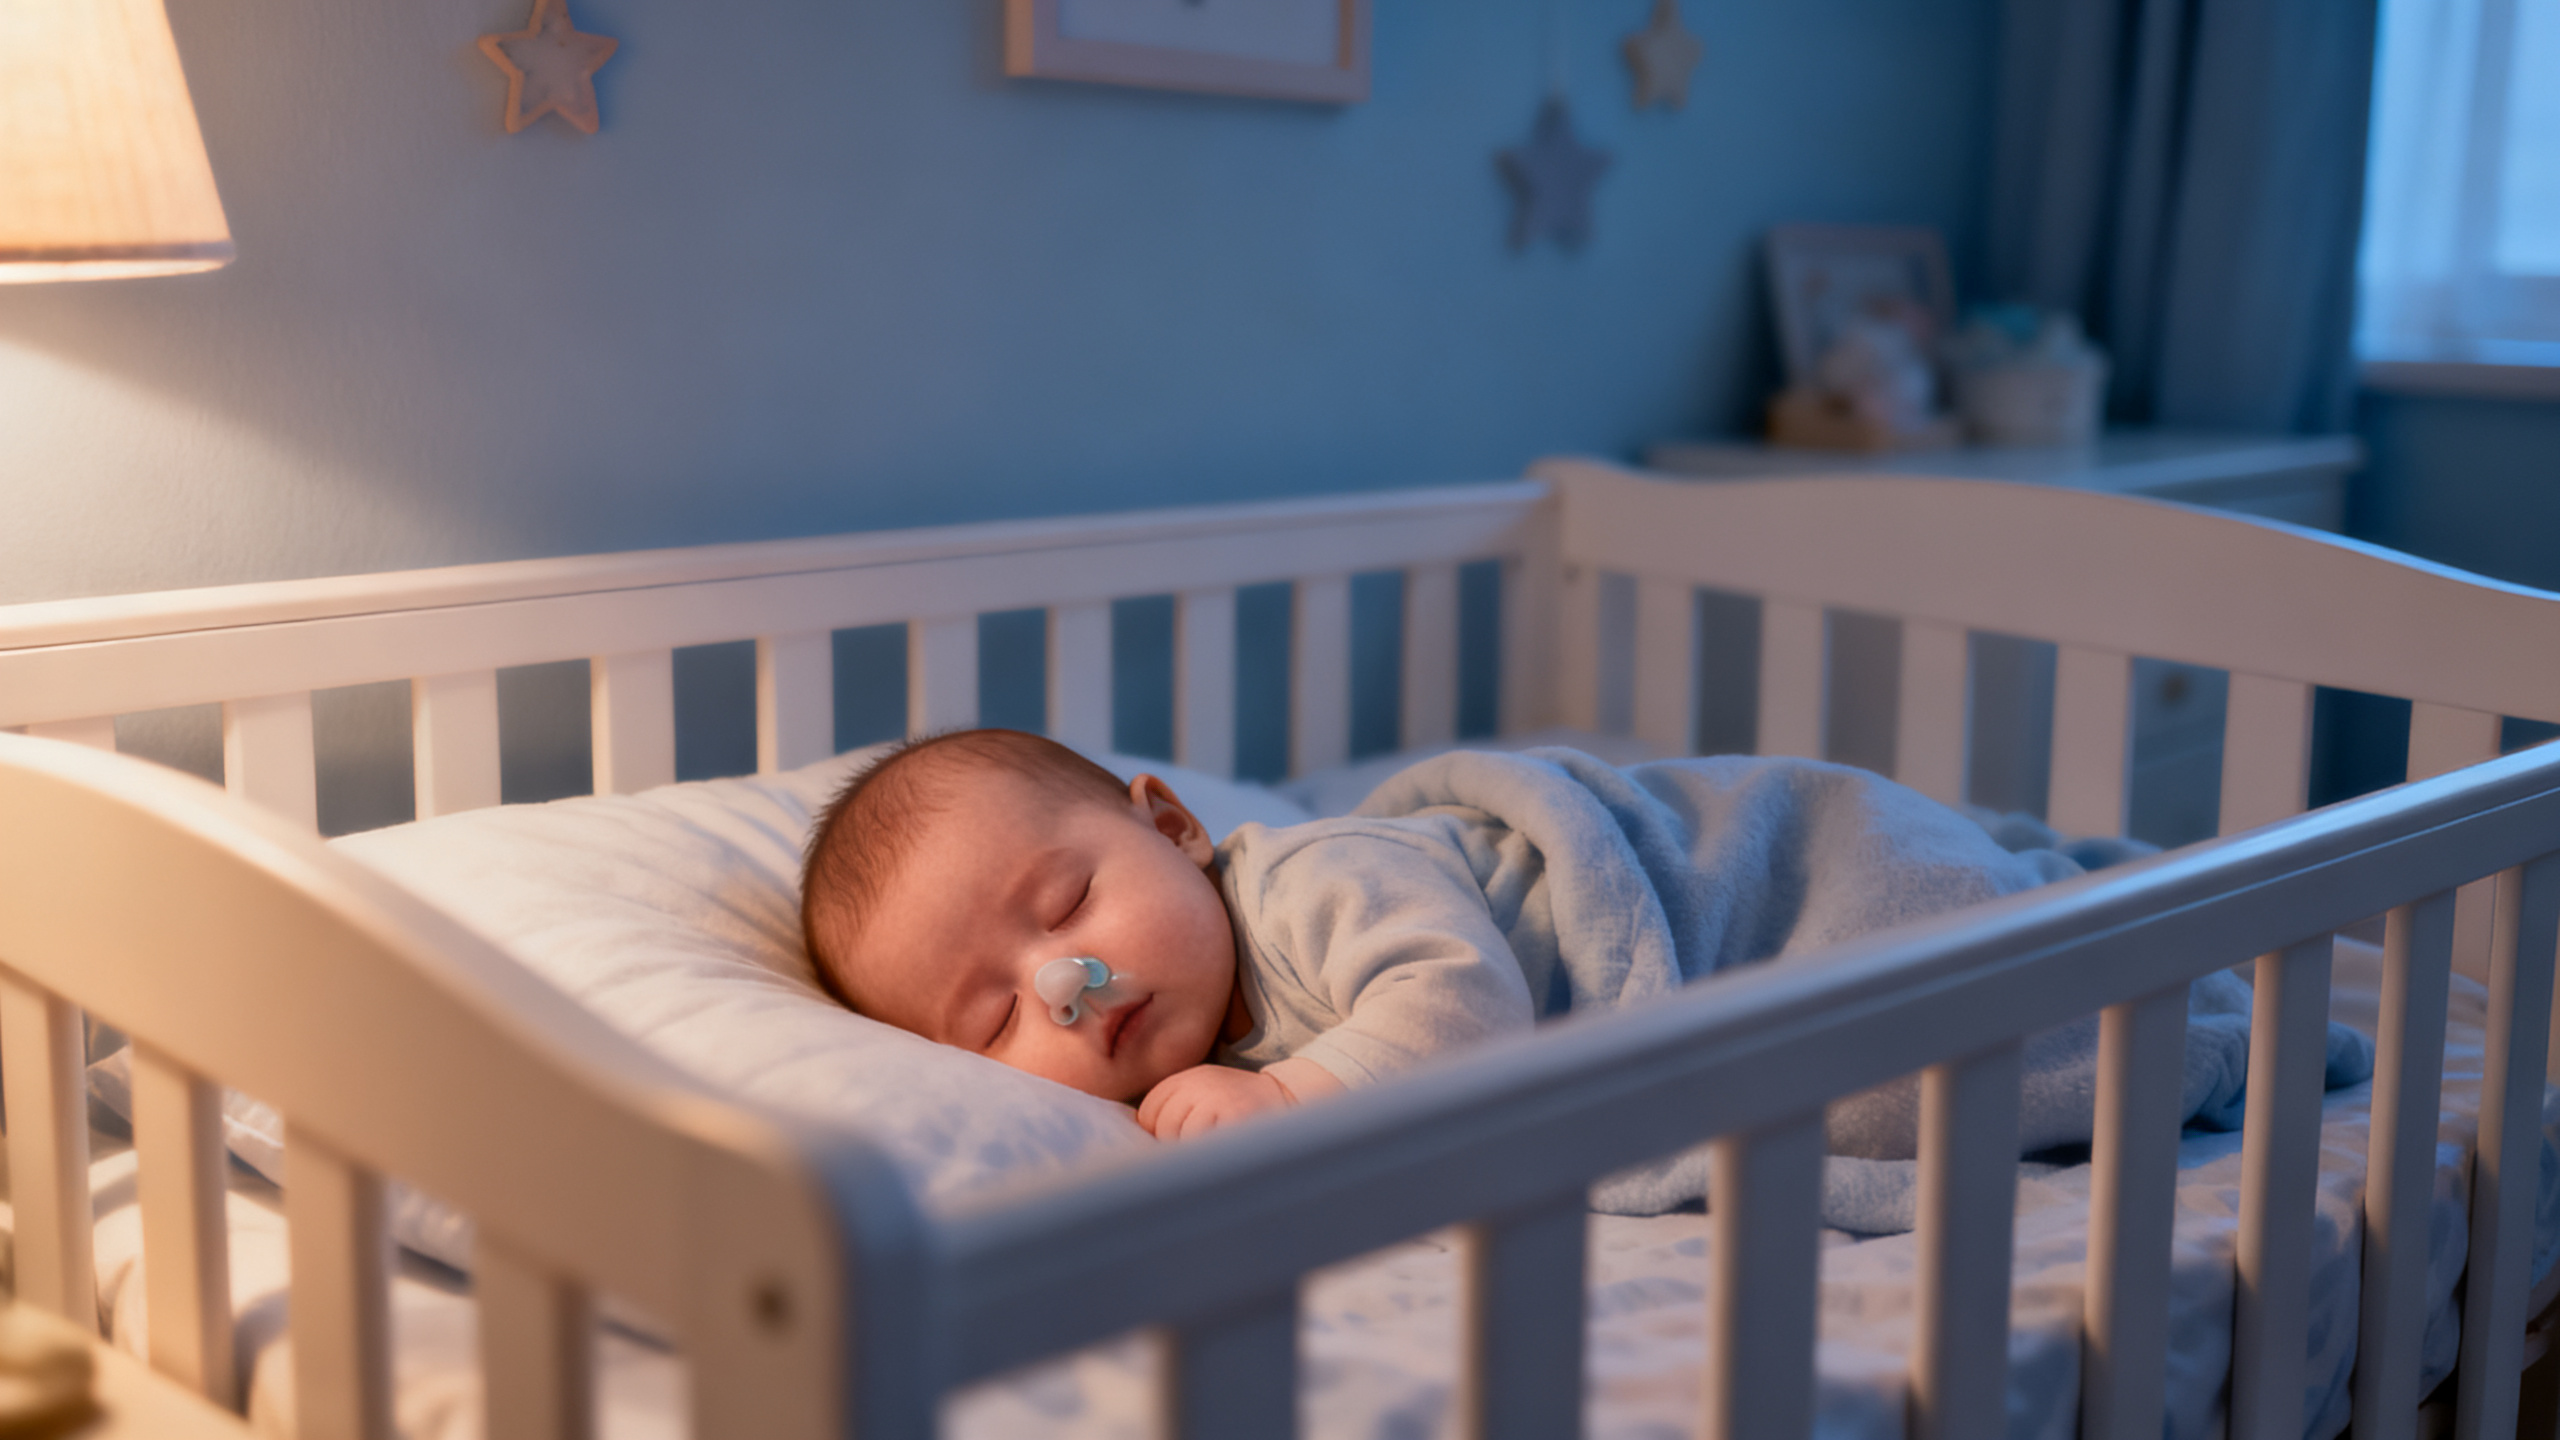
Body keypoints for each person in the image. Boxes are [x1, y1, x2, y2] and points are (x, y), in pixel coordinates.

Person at [799, 727, 2092, 1143]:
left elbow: (1462, 999)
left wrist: (1291, 1093)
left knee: (1936, 1041)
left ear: (1177, 827)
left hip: (1743, 885)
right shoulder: (1170, 1070)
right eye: (996, 1018)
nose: (1065, 986)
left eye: (1069, 904)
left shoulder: (1311, 885)